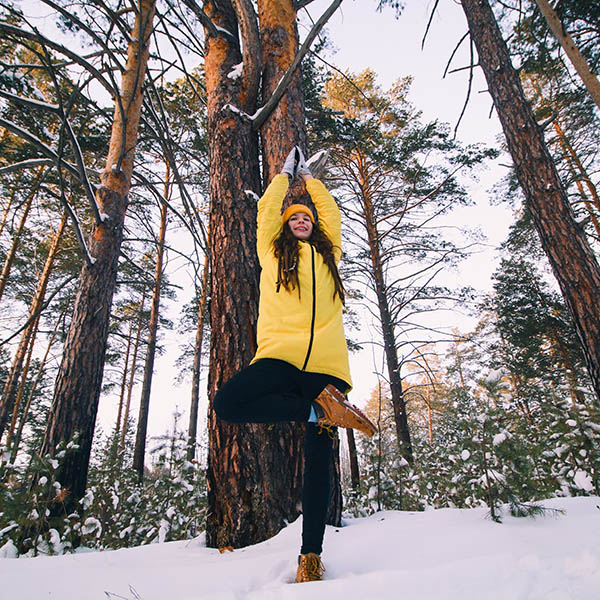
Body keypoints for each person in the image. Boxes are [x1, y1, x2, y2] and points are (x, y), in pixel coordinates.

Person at [213, 146, 376, 583]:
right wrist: (285, 178)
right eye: (294, 219)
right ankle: (316, 410)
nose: (300, 220)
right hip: (281, 357)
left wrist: (310, 178)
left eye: (306, 218)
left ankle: (310, 558)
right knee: (228, 403)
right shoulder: (273, 254)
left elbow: (333, 214)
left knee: (318, 462)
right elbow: (267, 212)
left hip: (325, 368)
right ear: (285, 228)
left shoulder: (328, 255)